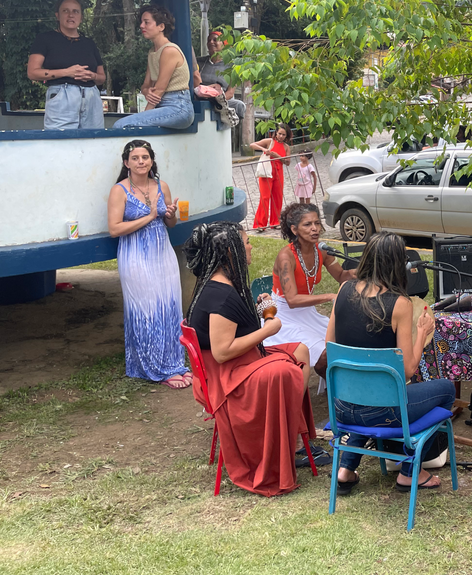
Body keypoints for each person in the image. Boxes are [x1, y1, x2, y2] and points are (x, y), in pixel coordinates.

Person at [183, 222, 317, 496]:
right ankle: (287, 443)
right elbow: (222, 352)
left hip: (237, 366)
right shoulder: (220, 296)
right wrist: (269, 329)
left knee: (300, 351)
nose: (250, 246)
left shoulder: (221, 285)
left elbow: (236, 328)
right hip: (228, 380)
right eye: (245, 242)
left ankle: (288, 435)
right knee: (287, 372)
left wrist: (262, 311)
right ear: (229, 251)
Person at [328, 232, 453, 495]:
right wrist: (422, 332)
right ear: (398, 264)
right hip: (383, 414)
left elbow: (330, 348)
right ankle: (410, 472)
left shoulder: (343, 289)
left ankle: (346, 468)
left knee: (369, 394)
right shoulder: (400, 304)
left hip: (341, 408)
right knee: (447, 389)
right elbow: (408, 369)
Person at [107, 140, 189, 388]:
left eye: (145, 157)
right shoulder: (119, 191)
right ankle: (153, 367)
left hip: (162, 253)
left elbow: (170, 224)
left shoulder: (161, 186)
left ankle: (173, 363)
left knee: (169, 305)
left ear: (152, 161)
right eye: (135, 158)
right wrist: (150, 216)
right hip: (135, 255)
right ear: (126, 163)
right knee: (146, 309)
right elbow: (114, 229)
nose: (141, 162)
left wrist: (170, 215)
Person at [267, 203, 357, 374]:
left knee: (342, 340)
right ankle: (333, 386)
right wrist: (329, 296)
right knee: (325, 353)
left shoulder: (321, 250)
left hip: (307, 311)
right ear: (294, 229)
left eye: (317, 223)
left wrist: (359, 271)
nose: (315, 229)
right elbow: (292, 300)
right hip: (284, 315)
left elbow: (341, 275)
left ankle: (339, 383)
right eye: (307, 224)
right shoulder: (286, 257)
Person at [27, 0, 106, 130]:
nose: (71, 15)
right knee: (61, 140)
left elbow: (102, 78)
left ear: (81, 17)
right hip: (62, 96)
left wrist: (92, 76)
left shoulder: (89, 43)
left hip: (91, 97)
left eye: (75, 11)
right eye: (65, 11)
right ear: (57, 15)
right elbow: (32, 73)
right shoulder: (45, 39)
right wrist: (67, 72)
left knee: (94, 139)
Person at [114, 5, 195, 130]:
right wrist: (147, 92)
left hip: (178, 107)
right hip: (162, 106)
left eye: (146, 22)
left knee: (121, 125)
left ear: (161, 26)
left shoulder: (169, 50)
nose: (142, 26)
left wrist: (144, 114)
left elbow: (159, 90)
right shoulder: (153, 52)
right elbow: (146, 85)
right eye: (141, 22)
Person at [197, 30, 245, 124]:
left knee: (240, 105)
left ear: (224, 44)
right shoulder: (199, 62)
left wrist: (217, 101)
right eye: (209, 40)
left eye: (215, 40)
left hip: (221, 100)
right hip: (200, 97)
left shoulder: (233, 66)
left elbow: (230, 93)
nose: (211, 42)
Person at [251, 123, 291, 231]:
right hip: (267, 172)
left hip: (279, 173)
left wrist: (277, 156)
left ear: (286, 136)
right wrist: (263, 149)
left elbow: (288, 162)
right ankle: (260, 224)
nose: (281, 136)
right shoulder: (269, 141)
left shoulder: (286, 147)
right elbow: (252, 145)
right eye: (279, 134)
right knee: (265, 197)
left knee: (277, 197)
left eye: (283, 134)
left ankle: (275, 222)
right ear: (276, 133)